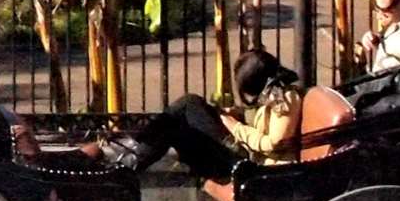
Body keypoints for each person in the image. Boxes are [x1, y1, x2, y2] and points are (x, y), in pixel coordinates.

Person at [99, 51, 303, 179]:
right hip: (244, 153)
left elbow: (274, 142)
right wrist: (236, 115)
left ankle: (128, 163)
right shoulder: (273, 94)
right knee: (176, 126)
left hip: (249, 163)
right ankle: (130, 161)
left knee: (189, 103)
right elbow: (262, 121)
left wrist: (235, 127)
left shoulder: (284, 98)